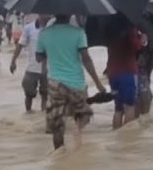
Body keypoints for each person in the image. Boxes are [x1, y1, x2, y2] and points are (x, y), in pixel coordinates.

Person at [36, 14, 107, 150]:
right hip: (77, 84)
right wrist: (98, 83)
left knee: (57, 124)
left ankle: (59, 154)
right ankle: (77, 133)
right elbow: (86, 59)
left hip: (55, 83)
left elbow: (39, 57)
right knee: (84, 114)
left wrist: (52, 50)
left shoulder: (44, 34)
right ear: (70, 15)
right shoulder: (79, 32)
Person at [105, 25, 145, 128]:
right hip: (127, 72)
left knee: (118, 109)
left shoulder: (110, 29)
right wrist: (142, 39)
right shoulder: (130, 28)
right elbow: (135, 46)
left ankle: (117, 137)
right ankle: (128, 140)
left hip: (112, 73)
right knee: (129, 107)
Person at [10, 14, 51, 113]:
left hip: (49, 69)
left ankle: (42, 116)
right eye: (45, 14)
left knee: (45, 94)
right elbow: (20, 45)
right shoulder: (29, 28)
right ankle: (28, 114)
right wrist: (13, 61)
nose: (47, 16)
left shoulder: (53, 29)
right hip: (31, 68)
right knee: (28, 94)